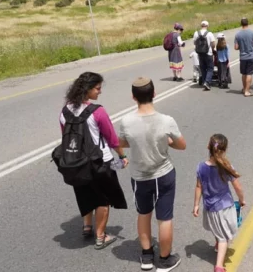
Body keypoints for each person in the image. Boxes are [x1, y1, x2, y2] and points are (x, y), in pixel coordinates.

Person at [118, 77, 187, 271]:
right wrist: (168, 142)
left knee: (143, 214)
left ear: (134, 97)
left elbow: (122, 142)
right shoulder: (166, 121)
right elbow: (182, 145)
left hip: (140, 177)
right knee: (164, 218)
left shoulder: (126, 121)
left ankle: (147, 256)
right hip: (163, 173)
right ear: (154, 93)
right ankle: (165, 260)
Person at [59, 72, 128, 250]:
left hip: (76, 162)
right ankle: (101, 236)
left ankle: (87, 226)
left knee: (85, 194)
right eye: (97, 88)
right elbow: (112, 139)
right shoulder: (97, 111)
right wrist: (122, 156)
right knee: (102, 199)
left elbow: (65, 137)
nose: (100, 92)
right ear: (87, 90)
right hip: (99, 162)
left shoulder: (64, 111)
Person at [192, 134, 246, 272]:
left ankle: (217, 244)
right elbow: (237, 186)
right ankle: (219, 266)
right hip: (224, 207)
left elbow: (199, 186)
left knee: (218, 228)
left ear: (208, 147)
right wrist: (242, 199)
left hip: (210, 207)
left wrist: (196, 204)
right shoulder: (226, 167)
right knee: (224, 237)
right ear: (225, 149)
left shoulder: (201, 167)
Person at [234, 17, 253, 97]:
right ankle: (247, 91)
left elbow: (236, 47)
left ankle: (244, 88)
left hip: (242, 57)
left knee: (243, 73)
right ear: (248, 23)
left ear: (241, 24)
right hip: (251, 56)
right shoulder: (252, 33)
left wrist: (241, 47)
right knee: (249, 73)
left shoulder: (238, 34)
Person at [193, 21, 216, 91]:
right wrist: (212, 49)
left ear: (201, 26)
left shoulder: (196, 33)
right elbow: (213, 43)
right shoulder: (209, 34)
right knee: (210, 68)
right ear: (207, 26)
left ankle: (204, 80)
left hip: (200, 53)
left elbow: (194, 42)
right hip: (208, 53)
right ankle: (207, 82)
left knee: (202, 67)